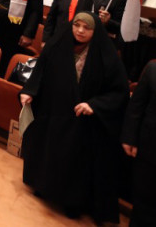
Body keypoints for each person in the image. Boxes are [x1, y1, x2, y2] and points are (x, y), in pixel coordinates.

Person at [20, 13, 128, 224]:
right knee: (50, 152)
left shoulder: (106, 56)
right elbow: (40, 71)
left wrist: (94, 105)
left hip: (82, 121)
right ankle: (44, 187)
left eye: (86, 28)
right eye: (76, 26)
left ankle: (71, 202)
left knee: (74, 164)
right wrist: (29, 91)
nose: (80, 31)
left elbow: (119, 92)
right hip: (53, 112)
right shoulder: (57, 45)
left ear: (95, 32)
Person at [122, 60, 156, 227]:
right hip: (149, 149)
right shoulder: (153, 69)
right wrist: (129, 137)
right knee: (143, 203)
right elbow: (136, 107)